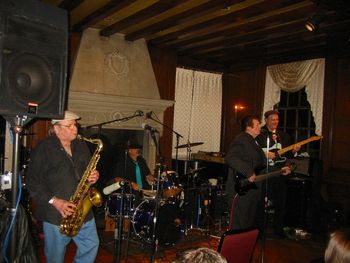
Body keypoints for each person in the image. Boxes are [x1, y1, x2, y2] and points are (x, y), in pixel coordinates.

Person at [26, 111, 100, 263]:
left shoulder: (81, 145)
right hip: (56, 213)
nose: (75, 129)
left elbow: (87, 172)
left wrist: (94, 177)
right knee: (55, 256)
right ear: (56, 128)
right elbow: (32, 182)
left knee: (91, 245)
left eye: (75, 125)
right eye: (69, 126)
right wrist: (56, 202)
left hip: (82, 209)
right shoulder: (44, 147)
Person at [225, 115, 291, 230]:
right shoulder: (241, 139)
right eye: (257, 124)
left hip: (252, 191)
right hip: (241, 191)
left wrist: (280, 170)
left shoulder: (253, 142)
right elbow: (231, 158)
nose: (260, 126)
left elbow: (261, 167)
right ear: (249, 128)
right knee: (239, 225)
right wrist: (248, 172)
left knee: (247, 224)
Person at [256, 110, 300, 237]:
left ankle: (278, 231)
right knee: (261, 203)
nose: (275, 122)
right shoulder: (259, 134)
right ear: (266, 120)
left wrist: (295, 151)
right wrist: (265, 154)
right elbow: (253, 152)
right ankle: (259, 231)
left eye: (277, 119)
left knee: (281, 203)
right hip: (265, 173)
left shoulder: (284, 136)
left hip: (281, 173)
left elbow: (289, 155)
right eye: (272, 119)